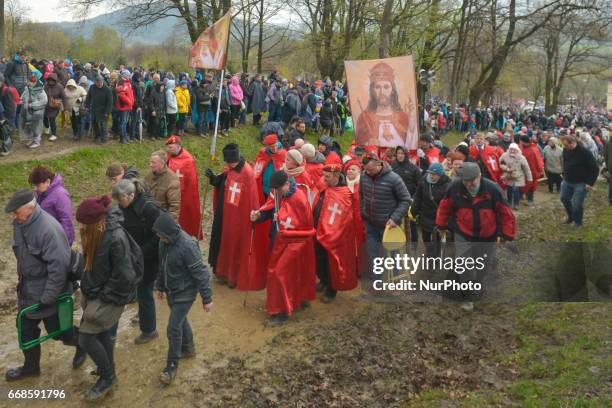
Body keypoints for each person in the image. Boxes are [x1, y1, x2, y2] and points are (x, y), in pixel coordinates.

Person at [4, 189, 84, 382]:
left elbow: (58, 271)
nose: (14, 217)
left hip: (49, 292)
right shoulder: (20, 223)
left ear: (29, 208)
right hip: (28, 289)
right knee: (25, 328)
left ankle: (83, 344)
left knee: (60, 331)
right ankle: (31, 368)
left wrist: (47, 298)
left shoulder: (49, 229)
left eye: (16, 212)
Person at [76, 195, 143, 401]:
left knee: (86, 337)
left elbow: (126, 275)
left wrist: (104, 295)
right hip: (96, 291)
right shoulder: (98, 233)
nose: (80, 227)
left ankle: (108, 377)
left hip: (110, 296)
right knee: (103, 333)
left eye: (83, 223)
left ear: (97, 223)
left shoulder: (115, 238)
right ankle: (107, 366)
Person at [436, 162, 515, 311]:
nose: (470, 184)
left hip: (487, 234)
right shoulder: (454, 188)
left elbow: (506, 213)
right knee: (464, 265)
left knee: (483, 265)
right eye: (466, 181)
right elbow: (445, 206)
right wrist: (441, 224)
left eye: (473, 180)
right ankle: (468, 297)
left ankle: (477, 284)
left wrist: (506, 234)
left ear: (479, 176)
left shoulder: (493, 189)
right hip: (463, 232)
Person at [153, 212, 213, 384]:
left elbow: (201, 273)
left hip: (186, 292)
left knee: (173, 328)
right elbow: (162, 266)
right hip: (172, 289)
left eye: (160, 234)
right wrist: (160, 287)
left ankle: (171, 366)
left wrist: (207, 298)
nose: (158, 237)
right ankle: (188, 348)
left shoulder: (187, 246)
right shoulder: (163, 243)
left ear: (168, 233)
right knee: (180, 321)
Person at [250, 170, 316, 325]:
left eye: (279, 190)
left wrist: (283, 223)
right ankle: (293, 301)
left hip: (295, 243)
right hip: (280, 242)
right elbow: (270, 209)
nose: (276, 193)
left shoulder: (299, 198)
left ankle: (280, 312)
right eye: (275, 191)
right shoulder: (279, 194)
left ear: (287, 184)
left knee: (279, 273)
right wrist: (258, 215)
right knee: (280, 273)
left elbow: (304, 225)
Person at [112, 179, 162, 345]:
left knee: (145, 292)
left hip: (148, 260)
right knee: (139, 292)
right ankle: (144, 318)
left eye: (121, 199)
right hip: (131, 257)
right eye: (117, 200)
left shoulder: (149, 209)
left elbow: (159, 234)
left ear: (132, 195)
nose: (119, 203)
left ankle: (149, 330)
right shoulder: (122, 207)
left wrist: (141, 252)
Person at [205, 143, 259, 288]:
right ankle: (220, 271)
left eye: (229, 163)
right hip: (224, 213)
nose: (227, 165)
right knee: (221, 241)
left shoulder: (247, 173)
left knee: (234, 245)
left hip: (237, 218)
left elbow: (252, 198)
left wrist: (253, 215)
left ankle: (233, 276)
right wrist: (213, 178)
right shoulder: (230, 168)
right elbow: (223, 182)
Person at [360, 152, 411, 277]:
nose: (368, 172)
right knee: (373, 256)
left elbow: (406, 199)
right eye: (366, 170)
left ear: (379, 165)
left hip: (389, 226)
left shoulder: (394, 178)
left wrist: (395, 218)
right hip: (370, 224)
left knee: (392, 256)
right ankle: (377, 283)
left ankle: (395, 282)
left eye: (370, 170)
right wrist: (363, 210)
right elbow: (361, 195)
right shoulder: (364, 176)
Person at [314, 159, 358, 303]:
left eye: (327, 177)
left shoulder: (344, 193)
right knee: (319, 259)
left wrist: (332, 232)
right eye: (324, 175)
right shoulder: (324, 185)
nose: (324, 179)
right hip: (318, 230)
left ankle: (332, 289)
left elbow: (344, 217)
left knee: (330, 262)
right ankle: (323, 280)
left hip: (333, 235)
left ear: (336, 176)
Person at [355, 62, 412, 147]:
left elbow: (410, 143)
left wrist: (411, 119)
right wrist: (367, 144)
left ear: (392, 90)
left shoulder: (403, 116)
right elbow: (359, 145)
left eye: (386, 87)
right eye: (377, 87)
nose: (382, 92)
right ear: (372, 91)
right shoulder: (364, 117)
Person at [166, 135, 203, 239]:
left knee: (184, 218)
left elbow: (191, 181)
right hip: (170, 192)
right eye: (168, 148)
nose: (168, 150)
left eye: (170, 147)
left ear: (178, 146)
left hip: (183, 194)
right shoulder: (168, 156)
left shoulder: (188, 160)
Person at [559, 134, 599, 228]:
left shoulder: (585, 152)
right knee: (564, 198)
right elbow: (566, 162)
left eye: (566, 145)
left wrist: (590, 183)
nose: (565, 147)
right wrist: (564, 173)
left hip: (581, 182)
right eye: (564, 145)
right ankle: (571, 217)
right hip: (567, 180)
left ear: (573, 143)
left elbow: (595, 168)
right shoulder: (566, 150)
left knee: (577, 203)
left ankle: (578, 222)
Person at [410, 163, 451, 255]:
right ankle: (429, 252)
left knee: (436, 240)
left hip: (439, 218)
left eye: (434, 174)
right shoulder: (424, 181)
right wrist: (414, 210)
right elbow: (418, 197)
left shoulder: (448, 185)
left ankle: (434, 257)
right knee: (425, 238)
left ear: (440, 175)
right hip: (425, 215)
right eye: (430, 173)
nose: (432, 176)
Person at [28, 166, 75, 245]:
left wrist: (62, 242)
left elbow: (66, 221)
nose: (35, 189)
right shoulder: (40, 193)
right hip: (46, 238)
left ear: (47, 181)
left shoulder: (61, 195)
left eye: (38, 186)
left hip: (57, 240)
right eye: (34, 186)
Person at [392, 146, 421, 243]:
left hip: (410, 200)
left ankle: (414, 244)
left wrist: (414, 199)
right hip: (396, 201)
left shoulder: (413, 168)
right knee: (396, 223)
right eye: (398, 153)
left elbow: (420, 186)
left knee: (412, 225)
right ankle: (398, 244)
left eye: (402, 153)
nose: (400, 155)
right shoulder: (392, 166)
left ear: (406, 154)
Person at [145, 150, 181, 219]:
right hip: (148, 218)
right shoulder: (148, 176)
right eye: (150, 162)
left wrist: (167, 224)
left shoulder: (172, 180)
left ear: (162, 163)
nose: (150, 165)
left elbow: (175, 207)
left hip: (162, 219)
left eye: (153, 163)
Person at [253, 134, 287, 204]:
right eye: (271, 147)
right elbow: (257, 167)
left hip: (275, 188)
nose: (274, 148)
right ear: (267, 146)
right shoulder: (263, 153)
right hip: (263, 186)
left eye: (275, 146)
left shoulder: (283, 154)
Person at [500, 143, 533, 210]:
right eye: (511, 149)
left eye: (514, 150)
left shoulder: (521, 158)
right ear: (509, 149)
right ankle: (508, 203)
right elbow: (500, 163)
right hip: (508, 176)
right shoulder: (504, 155)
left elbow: (526, 168)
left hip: (518, 177)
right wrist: (506, 168)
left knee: (516, 190)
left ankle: (516, 204)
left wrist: (529, 178)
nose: (512, 151)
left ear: (517, 150)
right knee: (509, 190)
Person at [20, 73, 47, 149]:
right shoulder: (27, 88)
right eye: (29, 81)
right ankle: (30, 139)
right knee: (28, 126)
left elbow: (44, 101)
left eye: (31, 81)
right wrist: (21, 100)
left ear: (35, 81)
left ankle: (37, 141)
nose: (29, 83)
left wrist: (33, 105)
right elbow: (24, 95)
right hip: (27, 111)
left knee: (36, 127)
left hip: (37, 112)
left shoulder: (40, 90)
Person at [84, 75, 113, 144]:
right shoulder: (92, 87)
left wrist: (107, 112)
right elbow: (88, 97)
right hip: (94, 109)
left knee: (103, 125)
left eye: (100, 83)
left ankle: (104, 139)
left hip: (104, 111)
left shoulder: (107, 90)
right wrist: (87, 106)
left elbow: (110, 102)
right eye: (97, 83)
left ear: (102, 81)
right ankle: (96, 136)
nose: (99, 84)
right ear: (95, 82)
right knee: (94, 124)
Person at [519, 135, 544, 206]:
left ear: (524, 142)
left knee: (530, 186)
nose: (520, 143)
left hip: (532, 172)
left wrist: (532, 173)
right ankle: (522, 197)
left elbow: (535, 162)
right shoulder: (527, 147)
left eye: (521, 141)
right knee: (523, 185)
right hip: (524, 171)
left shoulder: (532, 150)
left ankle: (530, 200)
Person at [115, 71, 134, 144]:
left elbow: (130, 93)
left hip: (128, 106)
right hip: (123, 106)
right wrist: (129, 102)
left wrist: (131, 102)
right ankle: (122, 139)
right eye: (129, 75)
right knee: (123, 122)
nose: (130, 76)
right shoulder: (121, 82)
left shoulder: (128, 83)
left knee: (125, 122)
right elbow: (121, 95)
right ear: (125, 75)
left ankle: (125, 137)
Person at [605, 135, 612, 205]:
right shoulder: (608, 143)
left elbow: (605, 156)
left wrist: (607, 166)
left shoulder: (608, 143)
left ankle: (611, 199)